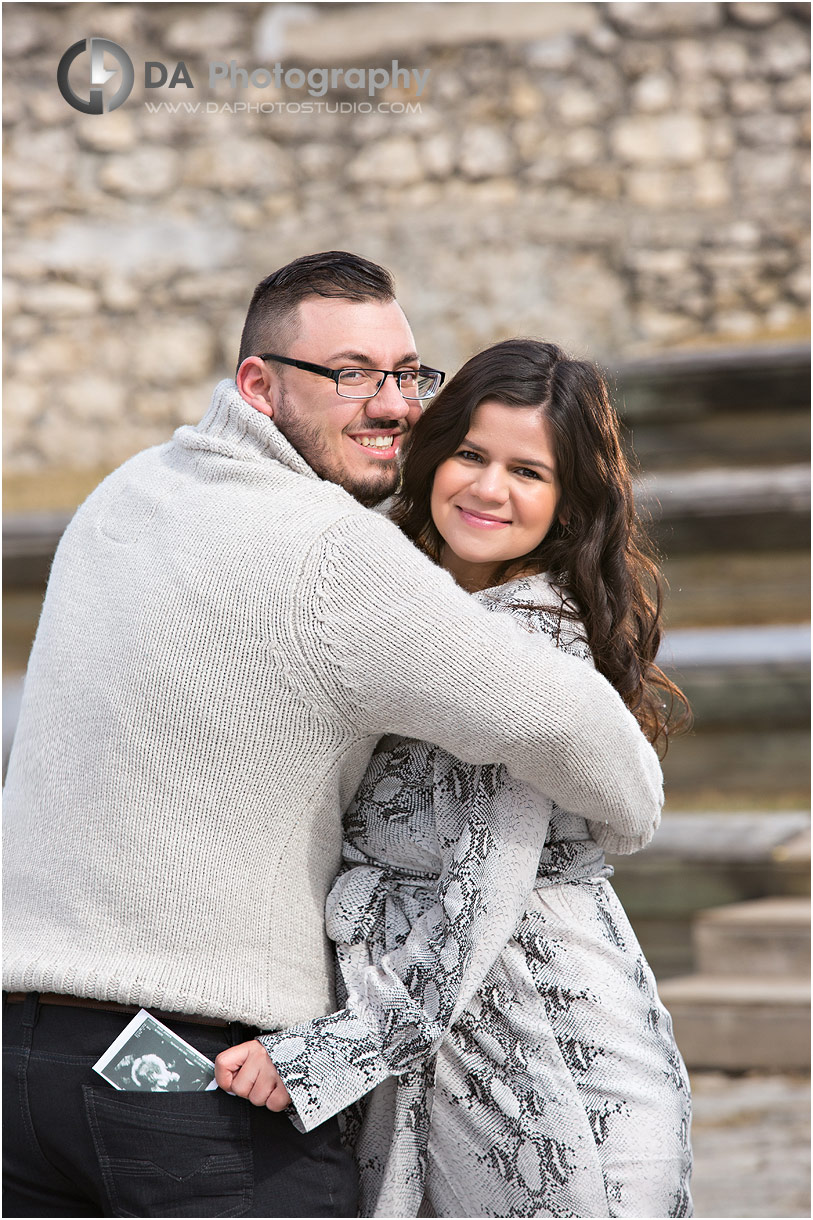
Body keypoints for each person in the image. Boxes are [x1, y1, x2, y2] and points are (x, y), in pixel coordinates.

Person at [3, 253, 662, 1219]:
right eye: (349, 374)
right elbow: (570, 725)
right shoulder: (331, 550)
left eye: (405, 373)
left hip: (19, 1064)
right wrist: (632, 813)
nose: (391, 403)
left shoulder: (125, 493)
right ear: (259, 385)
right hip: (192, 1078)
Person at [215, 339, 693, 1218]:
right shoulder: (407, 602)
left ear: (567, 501)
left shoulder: (522, 640)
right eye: (470, 454)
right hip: (444, 1027)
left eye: (527, 471)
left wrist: (326, 1054)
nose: (487, 489)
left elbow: (484, 893)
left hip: (544, 1049)